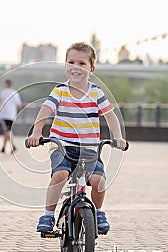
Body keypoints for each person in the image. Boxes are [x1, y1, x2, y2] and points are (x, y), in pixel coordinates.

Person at [27, 42, 127, 234]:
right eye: (71, 62)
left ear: (91, 68)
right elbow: (45, 111)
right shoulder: (60, 91)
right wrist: (36, 132)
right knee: (61, 174)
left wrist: (118, 137)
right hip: (62, 146)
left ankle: (97, 213)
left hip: (89, 148)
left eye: (81, 63)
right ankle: (48, 215)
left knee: (99, 181)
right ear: (65, 65)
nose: (76, 67)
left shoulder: (96, 93)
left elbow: (111, 116)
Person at [0, 79, 22, 153]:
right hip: (12, 115)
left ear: (6, 84)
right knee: (7, 131)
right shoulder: (14, 92)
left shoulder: (2, 92)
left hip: (4, 115)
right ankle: (3, 147)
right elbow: (19, 105)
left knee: (7, 131)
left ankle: (12, 146)